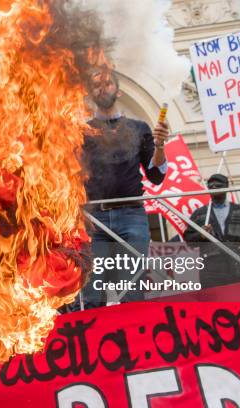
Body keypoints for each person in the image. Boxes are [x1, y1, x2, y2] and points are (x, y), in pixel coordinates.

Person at [79, 69, 169, 308]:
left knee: (132, 289)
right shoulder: (82, 132)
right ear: (91, 93)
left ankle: (133, 343)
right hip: (94, 219)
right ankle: (93, 341)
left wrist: (160, 146)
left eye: (107, 84)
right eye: (96, 85)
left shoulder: (139, 128)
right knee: (92, 292)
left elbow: (156, 175)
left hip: (131, 216)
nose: (102, 88)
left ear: (117, 91)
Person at [184, 174, 240, 288]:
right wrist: (200, 235)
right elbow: (188, 240)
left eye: (218, 186)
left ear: (226, 187)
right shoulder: (199, 214)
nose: (215, 188)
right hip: (211, 270)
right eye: (211, 186)